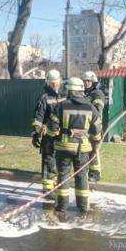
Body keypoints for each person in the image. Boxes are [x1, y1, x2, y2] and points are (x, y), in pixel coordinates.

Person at [49, 77, 102, 213]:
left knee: (63, 175)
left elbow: (53, 129)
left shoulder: (61, 106)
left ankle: (62, 206)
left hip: (64, 147)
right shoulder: (91, 107)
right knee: (82, 176)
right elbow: (97, 130)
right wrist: (95, 142)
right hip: (83, 148)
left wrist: (53, 135)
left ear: (70, 90)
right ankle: (83, 207)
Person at [31, 69, 63, 197]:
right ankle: (48, 190)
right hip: (48, 137)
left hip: (62, 136)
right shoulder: (44, 98)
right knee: (48, 161)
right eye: (52, 83)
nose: (55, 85)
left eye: (56, 82)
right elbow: (38, 119)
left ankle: (57, 186)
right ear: (48, 83)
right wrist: (36, 133)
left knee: (60, 162)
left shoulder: (65, 95)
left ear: (60, 82)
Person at [82, 71, 105, 181]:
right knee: (87, 150)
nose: (86, 83)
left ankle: (96, 174)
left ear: (93, 81)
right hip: (86, 126)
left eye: (88, 81)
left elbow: (97, 110)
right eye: (85, 81)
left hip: (95, 127)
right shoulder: (85, 93)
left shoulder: (97, 93)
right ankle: (88, 172)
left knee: (94, 150)